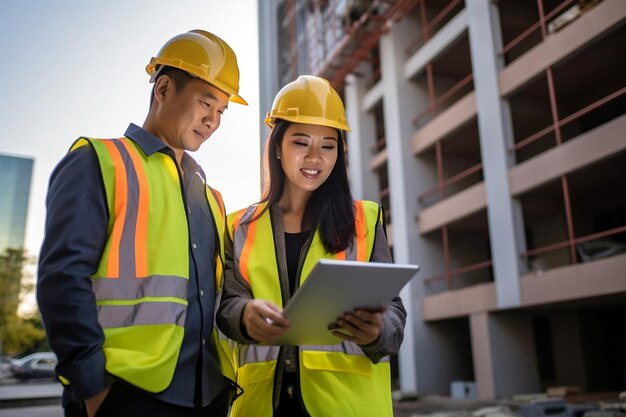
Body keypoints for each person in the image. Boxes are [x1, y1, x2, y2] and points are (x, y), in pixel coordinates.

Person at [37, 30, 247, 417]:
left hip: (210, 396)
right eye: (205, 103)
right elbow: (62, 278)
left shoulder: (212, 199)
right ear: (163, 89)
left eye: (221, 111)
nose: (213, 121)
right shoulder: (98, 162)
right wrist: (93, 388)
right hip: (125, 396)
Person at [216, 75, 407, 417]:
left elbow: (394, 317)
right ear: (277, 146)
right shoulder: (239, 227)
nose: (315, 157)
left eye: (328, 145)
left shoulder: (365, 219)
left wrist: (378, 330)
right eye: (301, 142)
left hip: (346, 406)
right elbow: (227, 306)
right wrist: (244, 315)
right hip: (261, 406)